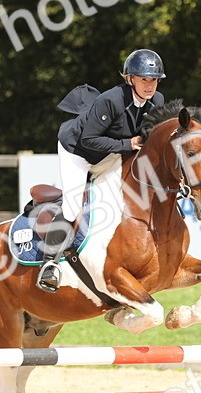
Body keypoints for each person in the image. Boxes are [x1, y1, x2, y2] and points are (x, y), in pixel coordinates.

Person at [37, 48, 167, 292]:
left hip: (111, 152)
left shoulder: (157, 101)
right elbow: (89, 139)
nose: (150, 85)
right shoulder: (111, 100)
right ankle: (49, 264)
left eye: (154, 80)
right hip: (78, 151)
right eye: (144, 79)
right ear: (130, 79)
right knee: (73, 206)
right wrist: (127, 144)